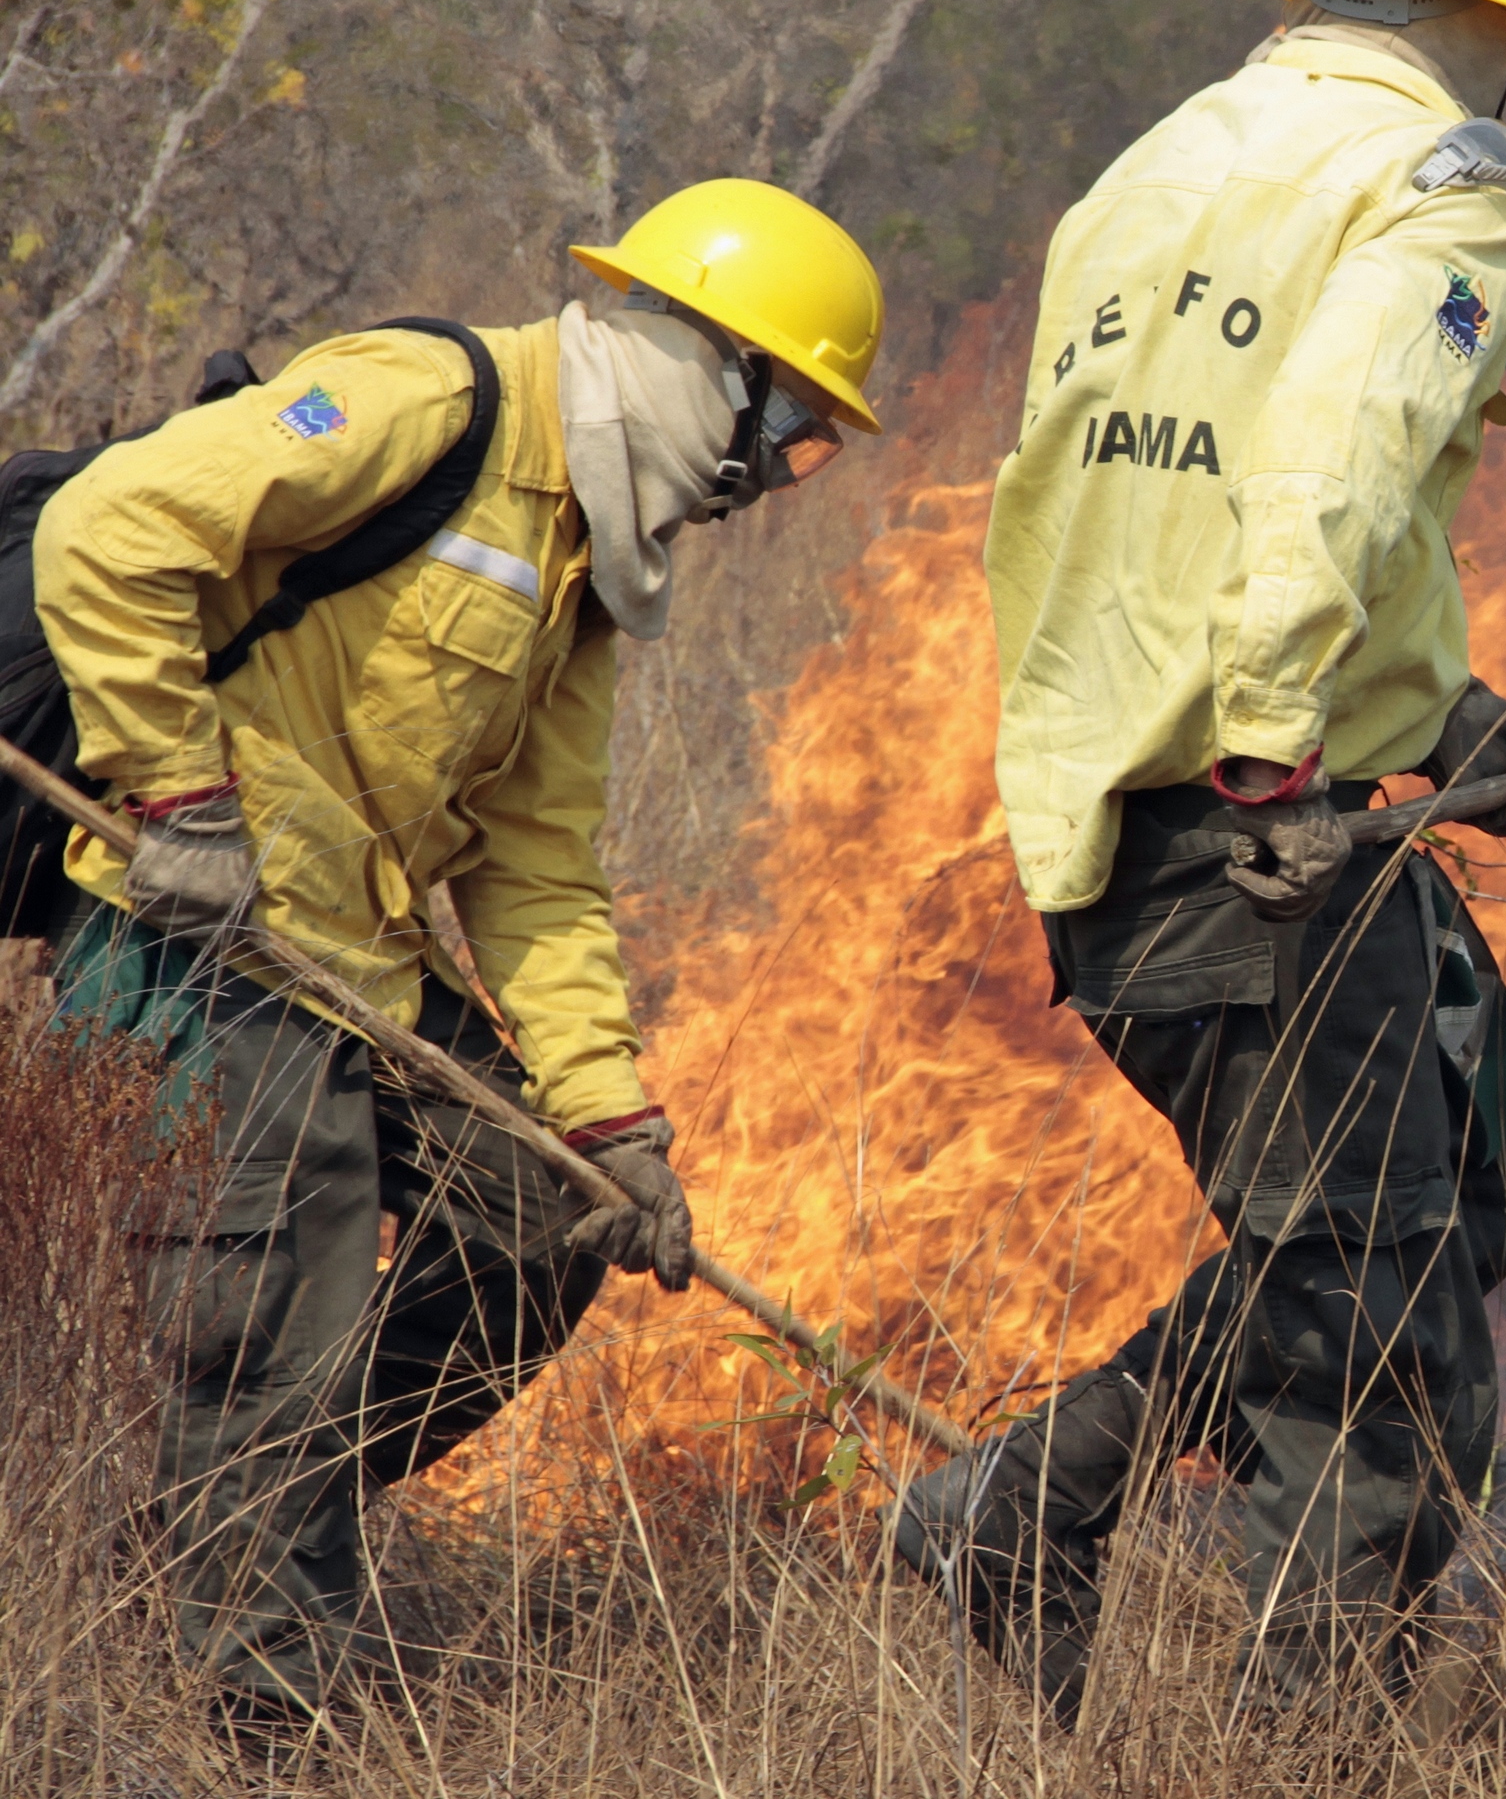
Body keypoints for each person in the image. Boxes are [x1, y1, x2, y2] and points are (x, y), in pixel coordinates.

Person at [895, 0, 1506, 1724]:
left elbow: (1130, 508)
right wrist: (1287, 735)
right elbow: (1341, 447)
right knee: (1381, 1350)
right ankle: (1307, 1751)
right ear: (1487, 30)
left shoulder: (1153, 172)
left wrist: (1435, 714)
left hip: (1121, 820)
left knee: (1438, 1208)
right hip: (1255, 824)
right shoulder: (1459, 169)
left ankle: (1020, 1502)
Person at [38, 178, 885, 1730]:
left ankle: (214, 1527)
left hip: (349, 954)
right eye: (787, 429)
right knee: (272, 1312)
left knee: (543, 1221)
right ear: (709, 361)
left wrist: (611, 1126)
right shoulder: (426, 403)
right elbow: (109, 529)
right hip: (204, 930)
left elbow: (539, 869)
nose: (773, 478)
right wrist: (179, 796)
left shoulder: (581, 564)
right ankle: (251, 1718)